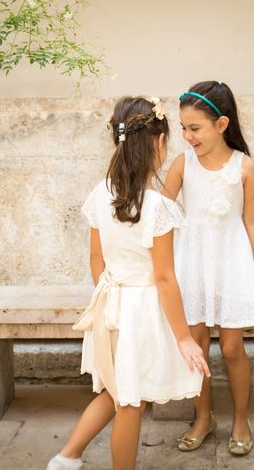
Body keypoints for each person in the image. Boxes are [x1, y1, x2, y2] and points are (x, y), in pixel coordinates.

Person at [47, 96, 210, 470]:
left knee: (118, 392)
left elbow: (96, 259)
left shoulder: (101, 192)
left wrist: (108, 294)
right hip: (142, 312)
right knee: (131, 403)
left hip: (111, 303)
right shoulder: (158, 207)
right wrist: (184, 338)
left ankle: (66, 458)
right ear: (156, 144)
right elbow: (165, 278)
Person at [163, 81, 254, 456]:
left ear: (221, 124)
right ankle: (203, 417)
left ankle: (241, 419)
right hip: (192, 264)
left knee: (231, 346)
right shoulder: (182, 164)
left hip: (232, 263)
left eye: (195, 128)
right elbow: (159, 208)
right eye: (183, 128)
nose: (188, 136)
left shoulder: (245, 167)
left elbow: (253, 222)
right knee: (195, 346)